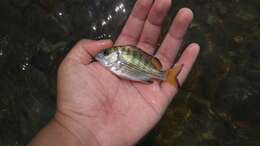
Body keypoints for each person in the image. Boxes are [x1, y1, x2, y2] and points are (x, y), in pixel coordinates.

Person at [28, 0, 200, 145]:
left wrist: (72, 126)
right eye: (104, 53)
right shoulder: (113, 62)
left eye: (105, 53)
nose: (100, 55)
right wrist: (73, 123)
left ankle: (167, 76)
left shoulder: (117, 58)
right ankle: (166, 76)